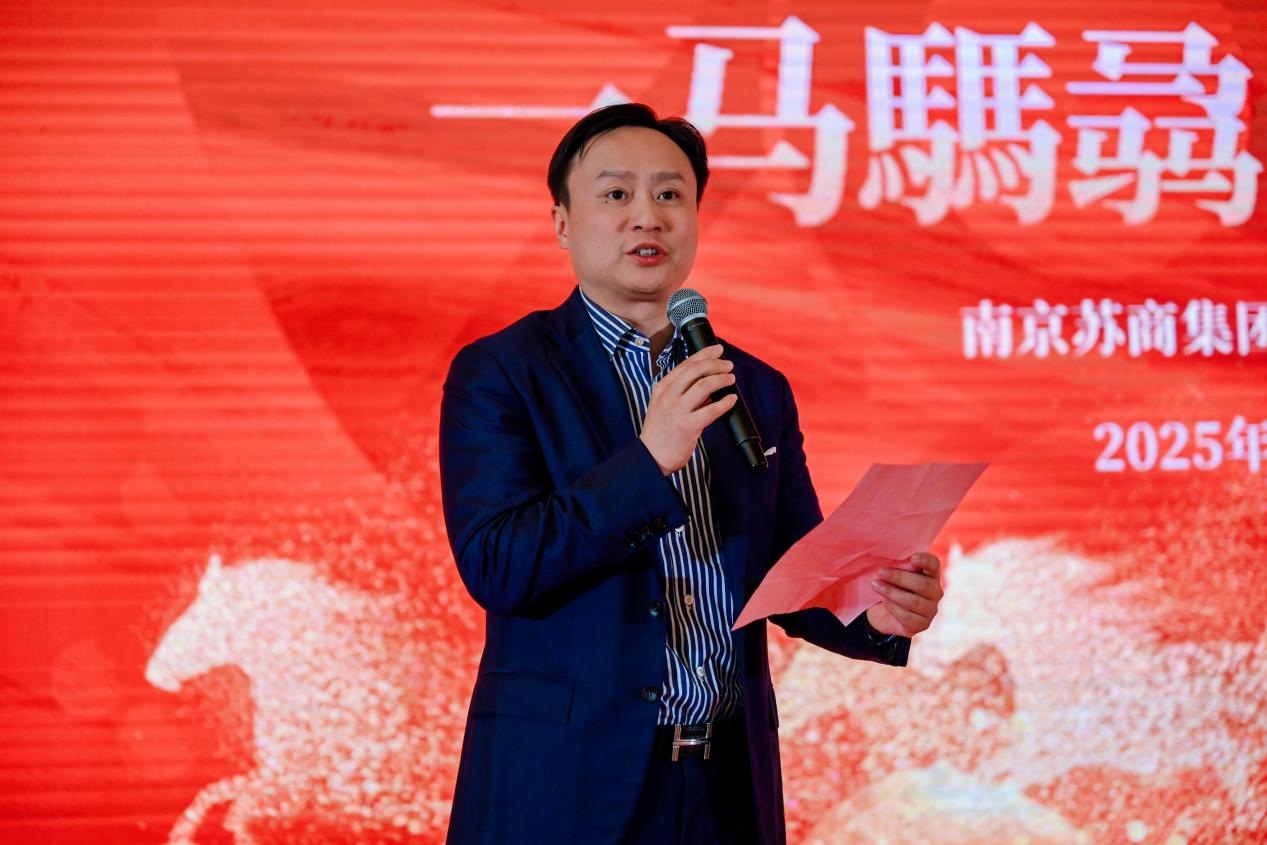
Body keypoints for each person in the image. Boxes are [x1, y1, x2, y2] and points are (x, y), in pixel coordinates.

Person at [438, 103, 944, 845]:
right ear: (562, 224)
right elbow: (499, 564)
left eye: (670, 194)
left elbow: (788, 573)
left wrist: (877, 611)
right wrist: (649, 461)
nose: (648, 215)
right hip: (566, 787)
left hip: (724, 786)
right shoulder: (502, 372)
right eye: (616, 194)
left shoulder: (754, 386)